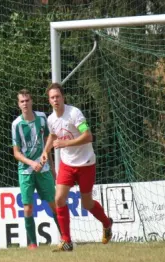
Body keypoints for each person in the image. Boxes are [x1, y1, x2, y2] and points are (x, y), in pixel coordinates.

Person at [41, 82, 113, 252]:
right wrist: (45, 151)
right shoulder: (51, 119)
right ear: (49, 100)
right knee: (59, 198)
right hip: (67, 164)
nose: (55, 100)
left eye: (58, 96)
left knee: (86, 204)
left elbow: (88, 136)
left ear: (63, 97)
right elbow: (52, 135)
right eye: (52, 97)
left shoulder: (74, 113)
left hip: (86, 163)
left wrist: (66, 143)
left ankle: (106, 223)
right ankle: (66, 241)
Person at [12, 89, 61, 249]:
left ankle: (65, 237)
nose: (25, 103)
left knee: (53, 203)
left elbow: (48, 143)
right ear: (19, 104)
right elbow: (16, 153)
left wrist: (52, 167)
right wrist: (31, 163)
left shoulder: (41, 118)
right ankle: (33, 243)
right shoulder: (16, 124)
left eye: (27, 100)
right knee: (27, 207)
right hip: (26, 170)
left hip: (44, 168)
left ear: (32, 101)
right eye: (22, 101)